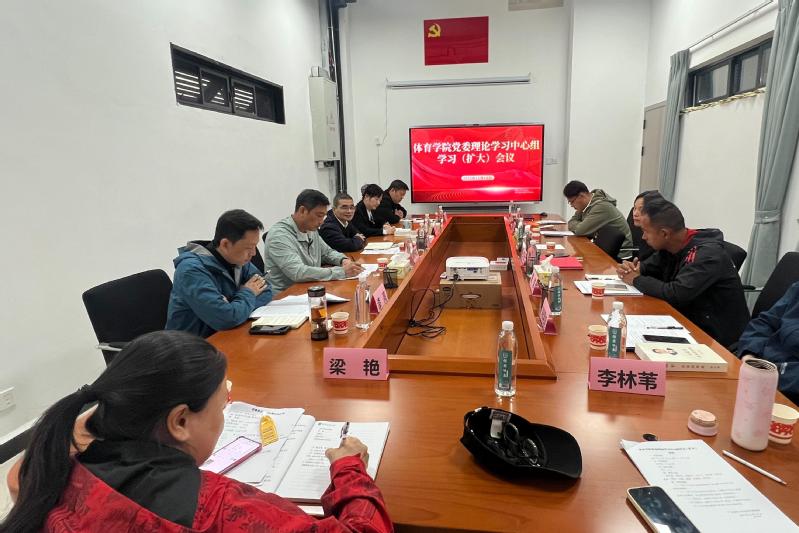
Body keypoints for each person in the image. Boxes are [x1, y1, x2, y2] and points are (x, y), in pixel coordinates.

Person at [1, 331, 392, 532]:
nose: (224, 416)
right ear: (180, 422)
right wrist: (349, 468)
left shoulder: (45, 466)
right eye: (222, 407)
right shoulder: (219, 509)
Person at [616, 197, 749, 348]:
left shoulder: (708, 255)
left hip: (715, 338)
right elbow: (650, 267)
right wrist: (633, 269)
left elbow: (676, 293)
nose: (643, 237)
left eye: (646, 231)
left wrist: (635, 279)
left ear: (664, 233)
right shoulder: (672, 245)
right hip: (684, 320)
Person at [166, 209, 273, 338]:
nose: (254, 253)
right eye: (249, 248)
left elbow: (266, 289)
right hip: (192, 345)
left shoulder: (238, 259)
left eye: (255, 246)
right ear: (225, 244)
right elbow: (226, 319)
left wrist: (234, 306)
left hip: (229, 334)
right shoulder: (191, 270)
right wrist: (248, 293)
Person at [265, 189, 364, 295]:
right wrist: (342, 271)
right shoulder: (279, 236)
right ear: (303, 211)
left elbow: (327, 252)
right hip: (286, 296)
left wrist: (343, 260)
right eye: (319, 215)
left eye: (324, 216)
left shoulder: (310, 229)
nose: (322, 221)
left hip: (312, 288)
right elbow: (298, 272)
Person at [737, 281, 799, 403]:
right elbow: (766, 322)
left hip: (784, 392)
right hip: (755, 370)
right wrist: (749, 354)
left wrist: (768, 375)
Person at [563, 180, 633, 249]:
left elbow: (580, 230)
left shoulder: (601, 207)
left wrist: (581, 225)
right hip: (605, 248)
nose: (571, 205)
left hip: (620, 252)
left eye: (572, 201)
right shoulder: (586, 206)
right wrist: (581, 225)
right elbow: (571, 222)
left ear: (581, 196)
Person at [628, 190, 662, 262]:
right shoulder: (642, 228)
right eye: (634, 208)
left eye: (641, 209)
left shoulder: (660, 238)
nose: (635, 214)